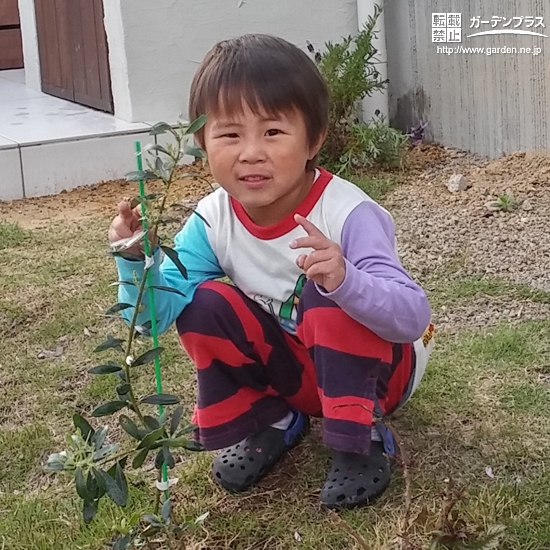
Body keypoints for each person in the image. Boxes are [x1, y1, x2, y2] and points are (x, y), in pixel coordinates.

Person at [108, 34, 434, 510]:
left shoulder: (348, 214)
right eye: (229, 134)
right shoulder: (212, 219)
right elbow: (154, 317)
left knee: (326, 292)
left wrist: (346, 280)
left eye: (273, 132)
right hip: (298, 372)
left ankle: (359, 437)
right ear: (201, 142)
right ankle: (272, 419)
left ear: (314, 139)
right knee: (203, 304)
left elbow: (410, 318)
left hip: (381, 373)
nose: (251, 152)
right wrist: (135, 259)